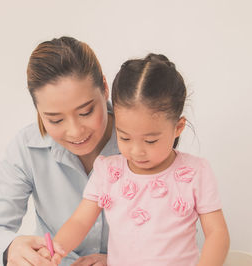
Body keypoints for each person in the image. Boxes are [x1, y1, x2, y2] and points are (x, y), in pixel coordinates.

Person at [45, 53, 230, 266]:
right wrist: (58, 248)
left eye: (150, 141)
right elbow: (80, 221)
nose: (136, 151)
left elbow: (217, 233)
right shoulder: (108, 172)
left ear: (178, 127)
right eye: (124, 137)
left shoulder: (195, 172)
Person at [0, 36, 119, 266]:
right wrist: (12, 248)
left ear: (105, 87)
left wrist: (122, 260)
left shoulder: (144, 141)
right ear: (38, 111)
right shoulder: (26, 148)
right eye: (56, 119)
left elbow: (172, 235)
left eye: (86, 112)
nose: (75, 131)